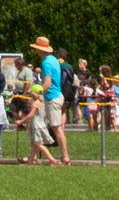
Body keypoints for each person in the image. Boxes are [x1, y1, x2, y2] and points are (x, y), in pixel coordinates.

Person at [31, 36, 74, 165]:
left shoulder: (46, 63)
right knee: (39, 127)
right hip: (56, 96)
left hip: (52, 97)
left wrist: (37, 93)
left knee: (57, 128)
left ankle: (65, 157)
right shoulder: (54, 59)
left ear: (39, 50)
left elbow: (47, 83)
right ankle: (32, 157)